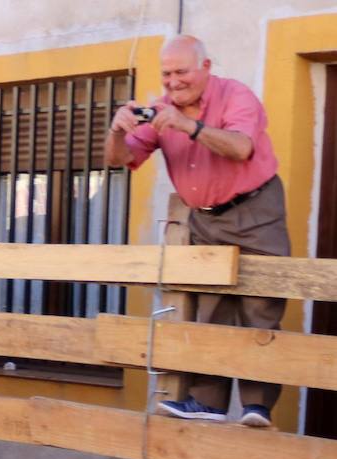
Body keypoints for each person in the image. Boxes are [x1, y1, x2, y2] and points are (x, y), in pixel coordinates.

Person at [106, 35, 289, 428]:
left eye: (181, 71)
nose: (173, 81)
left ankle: (257, 407)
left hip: (256, 207)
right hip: (205, 218)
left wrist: (189, 126)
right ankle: (209, 403)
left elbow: (241, 148)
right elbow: (121, 159)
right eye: (167, 73)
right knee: (211, 310)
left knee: (262, 307)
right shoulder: (160, 110)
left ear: (205, 67)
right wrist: (118, 131)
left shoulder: (236, 96)